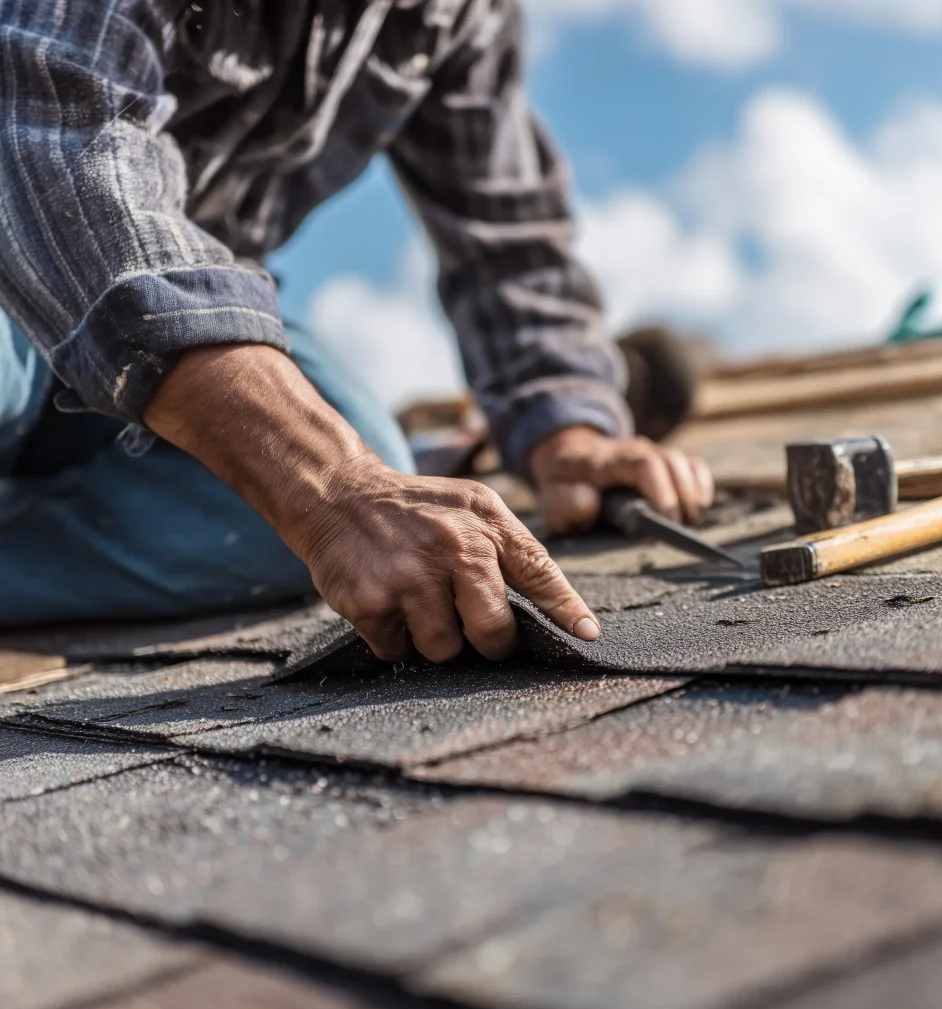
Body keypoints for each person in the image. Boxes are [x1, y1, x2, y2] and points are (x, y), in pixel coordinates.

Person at [0, 0, 713, 663]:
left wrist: (567, 429)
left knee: (308, 523)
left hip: (149, 343)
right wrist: (327, 483)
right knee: (324, 495)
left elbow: (508, 239)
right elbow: (47, 139)